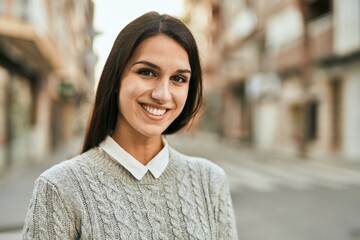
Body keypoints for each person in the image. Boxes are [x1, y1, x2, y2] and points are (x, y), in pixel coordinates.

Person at [22, 11, 238, 239]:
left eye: (179, 79)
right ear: (116, 79)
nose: (162, 95)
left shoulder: (211, 181)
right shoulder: (59, 187)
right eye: (147, 72)